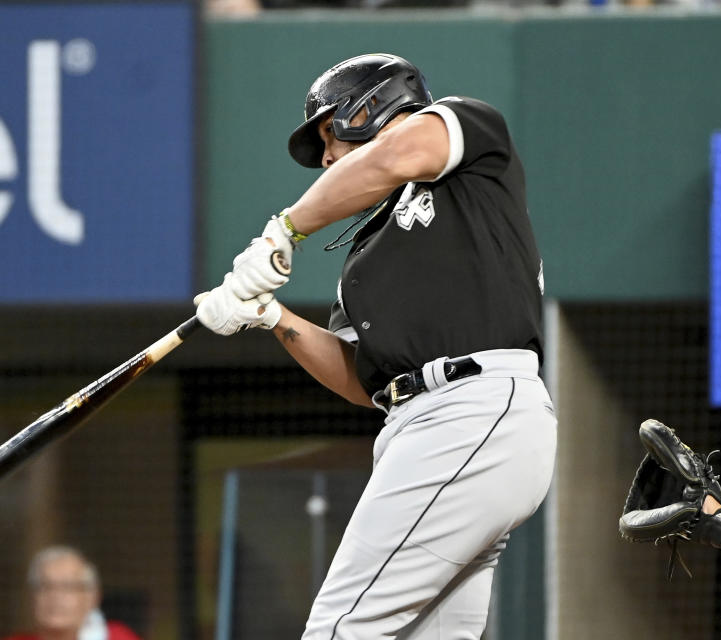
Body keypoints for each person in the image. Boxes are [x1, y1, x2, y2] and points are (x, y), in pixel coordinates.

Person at [194, 53, 556, 639]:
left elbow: (399, 153)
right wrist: (271, 316)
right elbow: (363, 380)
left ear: (375, 105)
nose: (329, 158)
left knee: (341, 628)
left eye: (331, 135)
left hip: (473, 408)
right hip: (424, 426)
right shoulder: (366, 256)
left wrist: (284, 230)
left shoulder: (463, 132)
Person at [2, 545, 143, 640]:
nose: (55, 596)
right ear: (32, 597)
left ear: (92, 597)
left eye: (67, 586)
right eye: (45, 586)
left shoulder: (118, 636)